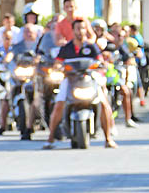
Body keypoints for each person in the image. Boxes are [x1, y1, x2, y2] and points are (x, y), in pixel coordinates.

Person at [42, 19, 116, 149]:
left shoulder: (91, 47)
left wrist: (102, 65)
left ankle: (108, 138)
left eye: (83, 28)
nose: (80, 31)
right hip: (70, 80)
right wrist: (58, 68)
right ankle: (51, 137)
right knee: (59, 103)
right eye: (78, 28)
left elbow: (100, 62)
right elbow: (58, 62)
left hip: (89, 79)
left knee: (103, 103)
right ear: (73, 30)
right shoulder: (67, 48)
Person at [6, 24, 39, 140]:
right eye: (26, 31)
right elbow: (10, 55)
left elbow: (44, 56)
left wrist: (38, 60)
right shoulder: (18, 46)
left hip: (35, 77)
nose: (28, 34)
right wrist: (7, 60)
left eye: (31, 31)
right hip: (19, 74)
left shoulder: (39, 45)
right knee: (6, 94)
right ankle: (3, 124)